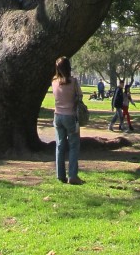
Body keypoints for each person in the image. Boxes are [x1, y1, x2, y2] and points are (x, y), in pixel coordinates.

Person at [52, 56, 83, 184]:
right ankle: (72, 175)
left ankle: (60, 175)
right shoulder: (73, 82)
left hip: (57, 115)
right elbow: (79, 97)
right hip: (70, 115)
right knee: (74, 145)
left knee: (60, 145)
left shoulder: (54, 82)